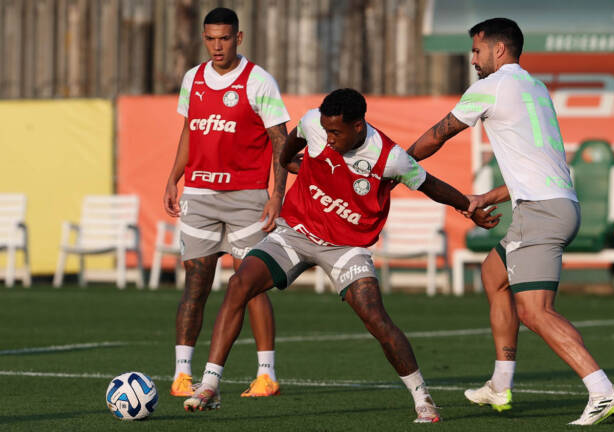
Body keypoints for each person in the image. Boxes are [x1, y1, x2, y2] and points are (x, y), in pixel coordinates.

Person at [181, 88, 497, 423]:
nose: (329, 139)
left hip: (347, 247)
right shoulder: (314, 124)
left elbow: (430, 185)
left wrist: (468, 207)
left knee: (375, 316)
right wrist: (288, 160)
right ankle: (211, 384)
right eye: (326, 130)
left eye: (336, 132)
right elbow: (292, 141)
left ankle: (423, 397)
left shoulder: (390, 158)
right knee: (238, 284)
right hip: (296, 232)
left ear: (359, 126)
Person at [407, 18, 614, 426]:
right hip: (553, 205)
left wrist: (398, 165)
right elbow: (538, 163)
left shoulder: (491, 87)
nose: (472, 59)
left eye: (477, 51)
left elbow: (438, 135)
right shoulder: (535, 88)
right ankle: (500, 384)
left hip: (540, 212)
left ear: (499, 50)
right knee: (495, 275)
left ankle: (601, 389)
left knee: (536, 311)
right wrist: (488, 197)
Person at [163, 7, 286, 399]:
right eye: (211, 38)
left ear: (239, 38)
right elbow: (189, 131)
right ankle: (182, 374)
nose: (217, 46)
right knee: (195, 285)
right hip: (198, 196)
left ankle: (266, 375)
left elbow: (281, 140)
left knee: (250, 285)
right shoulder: (192, 79)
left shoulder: (259, 81)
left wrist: (276, 194)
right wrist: (173, 177)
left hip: (247, 198)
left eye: (224, 38)